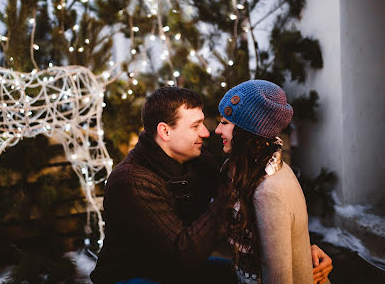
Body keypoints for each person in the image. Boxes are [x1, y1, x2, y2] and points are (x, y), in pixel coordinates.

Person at [90, 86, 332, 284]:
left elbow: (241, 213)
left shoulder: (197, 159)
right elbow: (185, 252)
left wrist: (297, 251)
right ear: (164, 131)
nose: (207, 133)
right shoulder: (130, 182)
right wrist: (235, 184)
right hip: (133, 276)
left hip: (174, 269)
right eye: (195, 126)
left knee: (248, 275)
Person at [215, 79, 332, 284]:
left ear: (246, 132)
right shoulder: (245, 173)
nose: (217, 130)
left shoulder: (268, 191)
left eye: (225, 122)